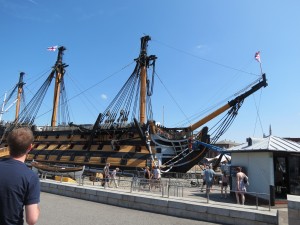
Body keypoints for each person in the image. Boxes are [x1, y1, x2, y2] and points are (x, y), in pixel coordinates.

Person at [0, 127, 40, 225]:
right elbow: (31, 219)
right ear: (30, 147)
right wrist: (37, 209)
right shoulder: (30, 177)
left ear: (8, 146)